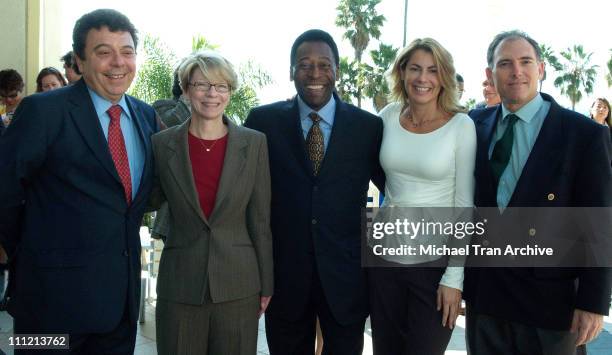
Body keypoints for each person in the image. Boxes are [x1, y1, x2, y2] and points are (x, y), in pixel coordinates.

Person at [0, 9, 159, 353]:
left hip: (119, 309)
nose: (118, 62)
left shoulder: (146, 117)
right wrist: (29, 257)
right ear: (80, 61)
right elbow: (5, 192)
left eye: (127, 51)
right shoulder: (41, 111)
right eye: (104, 52)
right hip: (49, 305)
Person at [465, 30, 611, 354]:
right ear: (491, 74)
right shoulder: (473, 125)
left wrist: (594, 301)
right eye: (505, 63)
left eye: (525, 61)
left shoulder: (583, 134)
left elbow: (599, 222)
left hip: (551, 307)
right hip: (485, 300)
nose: (516, 71)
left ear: (541, 69)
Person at [244, 29, 384, 355]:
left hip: (346, 279)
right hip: (285, 278)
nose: (315, 73)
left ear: (337, 69)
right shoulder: (262, 122)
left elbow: (396, 189)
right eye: (305, 64)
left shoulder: (368, 127)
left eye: (324, 64)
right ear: (291, 70)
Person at [149, 50, 273, 355]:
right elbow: (147, 199)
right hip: (180, 284)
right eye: (202, 85)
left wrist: (266, 284)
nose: (211, 94)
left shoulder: (254, 143)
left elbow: (259, 220)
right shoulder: (162, 145)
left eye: (221, 86)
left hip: (239, 285)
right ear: (187, 89)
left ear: (230, 92)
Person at [368, 38, 476, 355]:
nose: (423, 78)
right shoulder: (388, 116)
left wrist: (454, 278)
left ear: (444, 77)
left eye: (432, 70)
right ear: (402, 72)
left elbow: (464, 206)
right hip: (383, 260)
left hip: (434, 266)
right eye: (414, 68)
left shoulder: (461, 126)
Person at [150, 67, 191, 241]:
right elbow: (172, 128)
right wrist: (187, 101)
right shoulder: (163, 107)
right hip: (176, 214)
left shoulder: (215, 112)